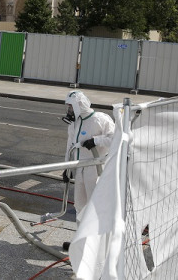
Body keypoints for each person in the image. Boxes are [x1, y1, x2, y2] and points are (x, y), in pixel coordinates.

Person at [62, 90, 115, 251]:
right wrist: (67, 168)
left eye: (71, 107)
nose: (69, 111)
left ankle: (98, 246)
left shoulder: (99, 119)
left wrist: (96, 141)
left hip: (97, 168)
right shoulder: (74, 124)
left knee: (95, 207)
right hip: (80, 169)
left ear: (79, 105)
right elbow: (70, 147)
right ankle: (81, 242)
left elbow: (116, 138)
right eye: (68, 107)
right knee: (80, 205)